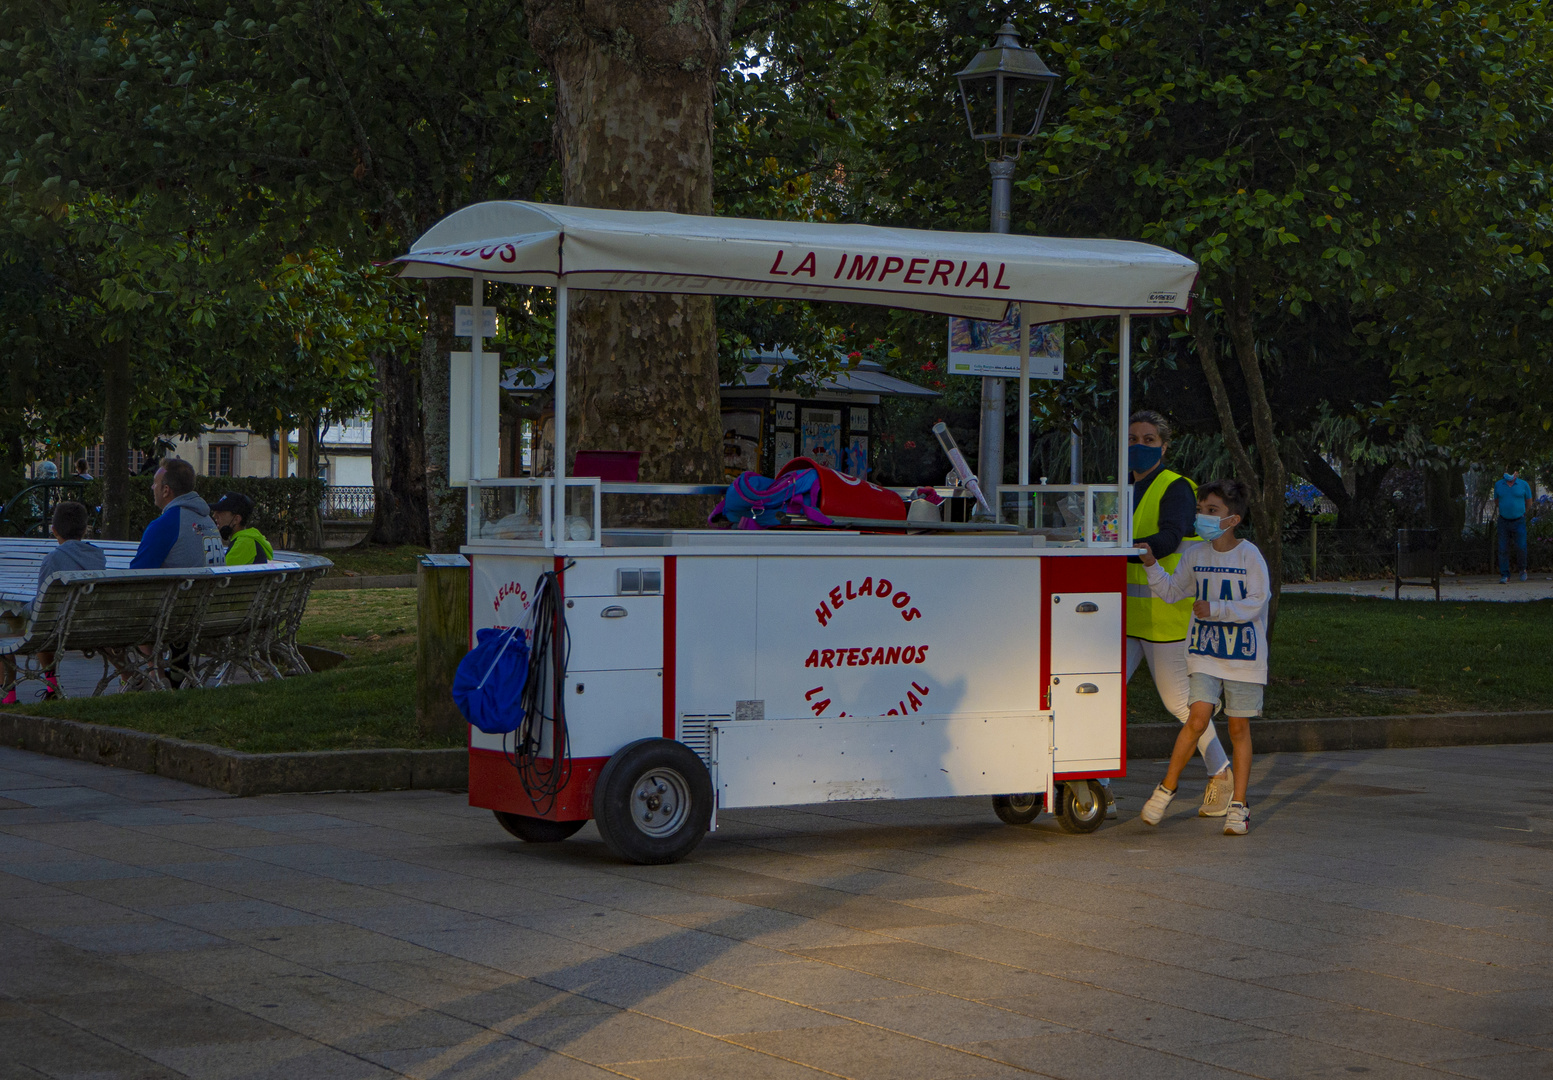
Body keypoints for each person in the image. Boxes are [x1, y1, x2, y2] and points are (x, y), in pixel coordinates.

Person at [1136, 478, 1268, 836]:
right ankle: (1166, 789)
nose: (1202, 517)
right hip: (1205, 653)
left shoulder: (1249, 555)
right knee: (1196, 718)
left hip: (1243, 656)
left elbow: (1257, 601)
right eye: (1200, 510)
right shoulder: (1194, 554)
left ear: (1233, 519)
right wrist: (1150, 563)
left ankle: (1238, 805)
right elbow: (1171, 591)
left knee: (1239, 728)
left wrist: (1217, 609)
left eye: (1213, 511)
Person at [1123, 410, 1234, 817]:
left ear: (1165, 446)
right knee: (1100, 692)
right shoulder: (1119, 488)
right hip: (1123, 616)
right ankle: (1093, 778)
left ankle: (1222, 772)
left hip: (1165, 616)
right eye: (1133, 437)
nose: (1139, 445)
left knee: (1180, 704)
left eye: (1149, 439)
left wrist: (1123, 547)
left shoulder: (1176, 488)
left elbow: (1170, 539)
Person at [1, 501, 105, 705]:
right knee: (45, 622)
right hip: (84, 626)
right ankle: (52, 687)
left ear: (54, 530)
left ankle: (8, 697)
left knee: (5, 627)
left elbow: (41, 606)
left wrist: (20, 610)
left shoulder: (53, 559)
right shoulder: (97, 557)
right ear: (84, 530)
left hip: (54, 627)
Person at [130, 458, 226, 569]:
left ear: (166, 490)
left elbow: (136, 576)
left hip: (179, 586)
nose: (152, 487)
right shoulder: (209, 521)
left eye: (155, 483)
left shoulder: (165, 525)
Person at [1494, 465, 1532, 584]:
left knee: (1521, 546)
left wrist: (1523, 512)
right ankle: (1505, 574)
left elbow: (1529, 501)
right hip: (1503, 521)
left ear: (1516, 473)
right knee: (1502, 548)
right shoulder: (1498, 485)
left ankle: (1522, 570)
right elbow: (1496, 501)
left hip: (1519, 520)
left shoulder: (1523, 484)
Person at [209, 492, 272, 565]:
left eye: (220, 512)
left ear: (236, 519)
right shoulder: (245, 540)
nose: (214, 515)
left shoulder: (244, 543)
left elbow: (222, 572)